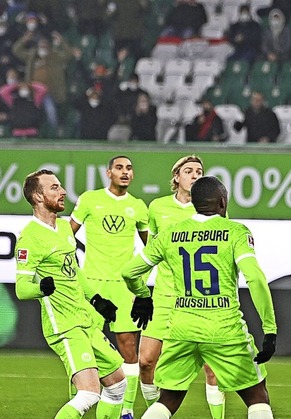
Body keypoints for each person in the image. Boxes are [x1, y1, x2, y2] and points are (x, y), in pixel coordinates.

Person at [120, 175, 278, 419]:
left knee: (168, 400)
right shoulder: (235, 232)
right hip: (224, 329)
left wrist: (142, 295)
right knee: (257, 396)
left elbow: (129, 271)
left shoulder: (171, 234)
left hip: (181, 329)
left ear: (193, 202)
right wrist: (269, 328)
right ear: (223, 203)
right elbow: (255, 279)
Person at [15, 169, 128, 418]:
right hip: (64, 325)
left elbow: (74, 271)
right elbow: (22, 289)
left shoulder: (65, 228)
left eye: (60, 186)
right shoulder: (29, 237)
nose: (63, 191)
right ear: (37, 196)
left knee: (119, 383)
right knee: (89, 393)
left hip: (85, 319)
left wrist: (97, 300)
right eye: (54, 187)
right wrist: (40, 288)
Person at [138, 156, 226, 418]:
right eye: (189, 171)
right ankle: (155, 412)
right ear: (176, 177)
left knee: (212, 367)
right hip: (164, 297)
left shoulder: (212, 208)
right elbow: (151, 251)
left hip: (199, 300)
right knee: (145, 362)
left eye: (199, 171)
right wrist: (142, 291)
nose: (195, 175)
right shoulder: (157, 207)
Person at [70, 155, 149, 419]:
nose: (125, 172)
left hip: (123, 286)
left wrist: (141, 288)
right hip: (92, 285)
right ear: (108, 173)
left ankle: (125, 409)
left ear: (133, 175)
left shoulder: (138, 206)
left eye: (129, 168)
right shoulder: (89, 200)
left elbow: (153, 249)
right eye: (119, 168)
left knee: (128, 348)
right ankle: (79, 403)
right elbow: (66, 236)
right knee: (83, 344)